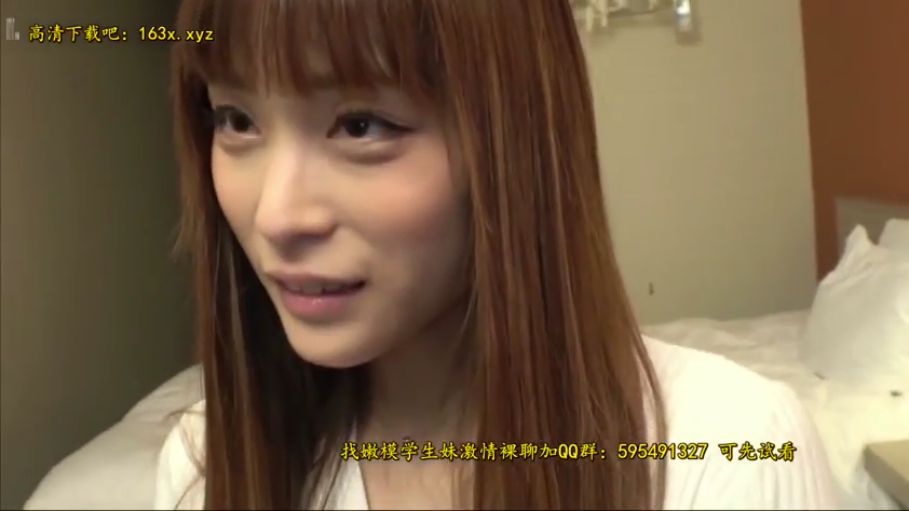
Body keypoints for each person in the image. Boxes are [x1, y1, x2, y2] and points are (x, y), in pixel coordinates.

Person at [154, 0, 841, 509]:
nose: (275, 216)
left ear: (516, 144)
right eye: (236, 120)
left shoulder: (734, 452)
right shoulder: (202, 461)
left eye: (361, 125)